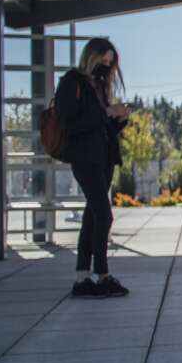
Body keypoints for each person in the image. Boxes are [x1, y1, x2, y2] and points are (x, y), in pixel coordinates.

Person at [57, 38, 131, 298]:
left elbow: (102, 127)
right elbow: (69, 123)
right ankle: (102, 275)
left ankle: (82, 278)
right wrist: (107, 112)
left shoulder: (99, 86)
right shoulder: (72, 82)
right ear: (91, 57)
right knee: (104, 216)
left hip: (104, 158)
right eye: (103, 61)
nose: (106, 67)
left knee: (92, 218)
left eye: (110, 63)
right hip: (84, 158)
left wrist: (119, 119)